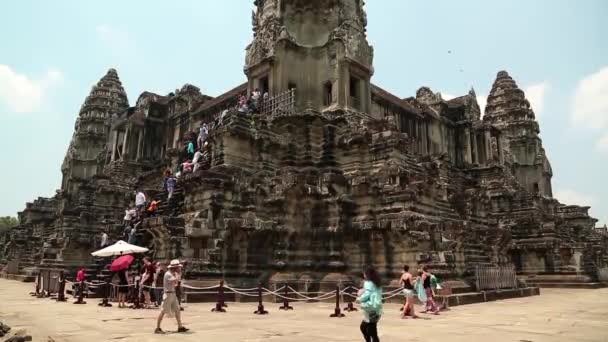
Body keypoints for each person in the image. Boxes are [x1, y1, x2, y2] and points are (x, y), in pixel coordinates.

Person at [155, 260, 189, 334]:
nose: (179, 268)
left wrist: (178, 275)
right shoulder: (168, 274)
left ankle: (180, 327)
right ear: (174, 267)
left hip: (172, 294)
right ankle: (157, 328)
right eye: (178, 267)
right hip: (168, 295)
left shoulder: (173, 273)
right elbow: (175, 280)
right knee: (163, 311)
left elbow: (175, 283)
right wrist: (179, 274)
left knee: (177, 310)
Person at [357, 267, 383, 342]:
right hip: (376, 309)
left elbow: (367, 294)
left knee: (372, 331)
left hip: (371, 309)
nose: (363, 275)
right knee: (365, 327)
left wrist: (359, 299)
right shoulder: (377, 283)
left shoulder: (368, 282)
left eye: (364, 273)